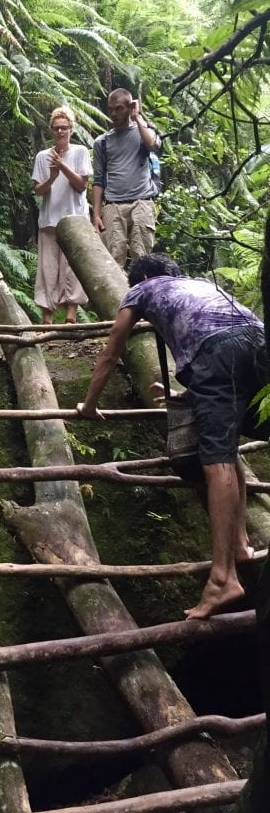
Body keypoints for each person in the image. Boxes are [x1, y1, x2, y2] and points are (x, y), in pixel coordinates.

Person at [77, 253, 268, 620]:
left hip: (217, 354)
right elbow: (233, 343)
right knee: (227, 444)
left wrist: (88, 404)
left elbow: (112, 347)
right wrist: (189, 394)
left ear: (143, 277)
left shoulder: (144, 288)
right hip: (257, 342)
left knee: (217, 459)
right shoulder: (204, 286)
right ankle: (240, 545)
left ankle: (223, 577)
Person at [31, 106, 91, 324]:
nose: (60, 132)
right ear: (51, 130)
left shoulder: (80, 152)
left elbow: (82, 185)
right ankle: (47, 317)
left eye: (64, 128)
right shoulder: (42, 157)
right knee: (47, 268)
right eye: (56, 128)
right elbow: (39, 190)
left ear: (71, 129)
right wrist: (53, 176)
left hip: (75, 220)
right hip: (49, 220)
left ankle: (71, 316)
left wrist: (63, 167)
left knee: (72, 268)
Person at [92, 88, 161, 267]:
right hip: (113, 206)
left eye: (119, 108)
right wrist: (96, 214)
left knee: (142, 258)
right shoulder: (102, 142)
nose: (113, 113)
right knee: (114, 260)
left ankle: (141, 294)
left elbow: (152, 144)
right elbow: (98, 180)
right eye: (111, 109)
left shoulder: (144, 131)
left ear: (129, 107)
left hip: (142, 202)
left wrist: (138, 117)